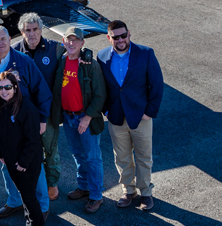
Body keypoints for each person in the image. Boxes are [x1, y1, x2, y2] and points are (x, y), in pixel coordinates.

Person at [0, 22, 51, 220]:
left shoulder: (24, 61)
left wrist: (42, 119)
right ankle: (15, 200)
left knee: (34, 162)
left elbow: (41, 90)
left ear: (10, 40)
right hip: (1, 125)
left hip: (24, 122)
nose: (0, 43)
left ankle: (42, 205)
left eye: (3, 38)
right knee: (5, 163)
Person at [97, 20, 164, 211]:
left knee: (144, 157)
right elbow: (100, 87)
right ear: (109, 38)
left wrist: (149, 112)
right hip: (116, 117)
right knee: (122, 157)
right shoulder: (101, 56)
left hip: (140, 117)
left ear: (129, 34)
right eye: (115, 37)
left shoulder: (145, 53)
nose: (120, 40)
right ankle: (128, 191)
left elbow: (157, 84)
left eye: (123, 35)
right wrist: (106, 111)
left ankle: (146, 193)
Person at [0, 72, 46, 226]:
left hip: (26, 162)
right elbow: (1, 134)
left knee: (28, 196)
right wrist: (2, 154)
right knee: (24, 195)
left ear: (15, 87)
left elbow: (33, 140)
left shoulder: (26, 108)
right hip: (12, 160)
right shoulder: (0, 107)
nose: (4, 91)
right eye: (0, 87)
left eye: (8, 87)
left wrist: (23, 162)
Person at [54, 27, 108, 214]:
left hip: (84, 117)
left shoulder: (89, 64)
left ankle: (96, 196)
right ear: (63, 41)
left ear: (82, 43)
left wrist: (87, 117)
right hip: (68, 117)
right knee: (77, 154)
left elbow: (100, 95)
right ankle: (83, 186)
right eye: (69, 39)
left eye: (76, 40)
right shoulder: (60, 61)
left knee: (92, 157)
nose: (72, 43)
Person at [12, 13, 64, 200]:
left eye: (35, 29)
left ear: (41, 29)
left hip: (47, 112)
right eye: (28, 30)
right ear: (21, 31)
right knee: (26, 150)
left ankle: (52, 183)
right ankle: (32, 183)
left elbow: (74, 54)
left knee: (50, 149)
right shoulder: (13, 52)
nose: (32, 33)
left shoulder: (56, 49)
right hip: (23, 114)